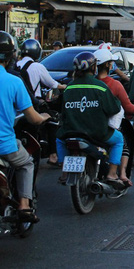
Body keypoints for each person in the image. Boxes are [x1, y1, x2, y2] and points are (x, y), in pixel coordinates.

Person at [0, 31, 50, 223]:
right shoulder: (14, 81)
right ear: (11, 55)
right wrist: (44, 116)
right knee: (26, 163)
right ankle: (24, 205)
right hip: (5, 145)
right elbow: (34, 118)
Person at [56, 52, 124, 188]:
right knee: (119, 140)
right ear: (94, 68)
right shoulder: (100, 87)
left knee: (59, 139)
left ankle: (64, 172)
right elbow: (114, 108)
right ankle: (112, 173)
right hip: (98, 133)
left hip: (70, 132)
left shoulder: (69, 88)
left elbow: (62, 111)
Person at [94, 48, 134, 187]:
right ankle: (119, 173)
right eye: (111, 63)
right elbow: (128, 107)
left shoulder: (87, 83)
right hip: (105, 127)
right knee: (123, 143)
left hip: (84, 126)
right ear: (108, 65)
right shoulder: (115, 85)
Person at [16, 38, 67, 165]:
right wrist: (66, 86)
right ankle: (53, 155)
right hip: (33, 105)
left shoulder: (15, 66)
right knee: (53, 119)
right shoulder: (37, 66)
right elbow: (53, 84)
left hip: (15, 107)